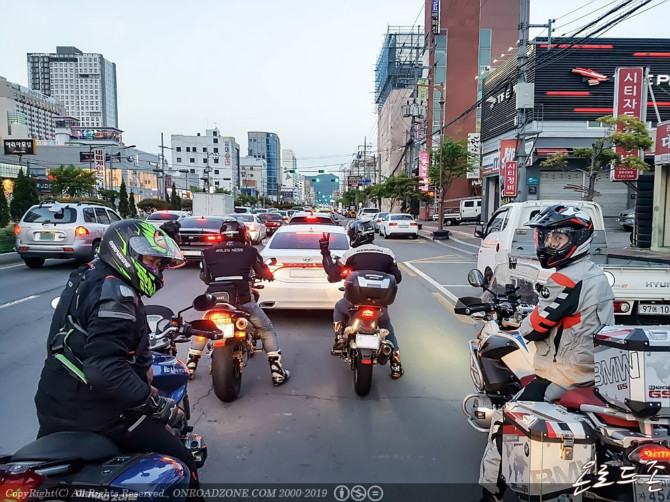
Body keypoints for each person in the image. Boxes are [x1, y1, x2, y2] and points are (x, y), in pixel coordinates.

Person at [34, 220, 205, 495]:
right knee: (182, 460)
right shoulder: (118, 295)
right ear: (125, 253)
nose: (157, 271)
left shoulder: (88, 274)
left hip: (55, 401)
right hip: (98, 412)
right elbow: (105, 370)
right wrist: (157, 404)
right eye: (151, 261)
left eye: (160, 264)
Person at [479, 204, 615, 502]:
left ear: (578, 239)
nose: (548, 245)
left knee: (504, 421)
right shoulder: (595, 274)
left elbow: (534, 328)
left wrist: (519, 320)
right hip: (598, 371)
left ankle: (491, 493)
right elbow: (568, 317)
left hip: (565, 373)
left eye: (557, 239)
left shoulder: (566, 278)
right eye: (545, 238)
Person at [188, 218, 290, 386]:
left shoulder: (208, 252)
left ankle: (190, 367)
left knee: (202, 330)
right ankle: (277, 372)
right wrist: (269, 276)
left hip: (214, 301)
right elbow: (264, 272)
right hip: (242, 301)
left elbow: (205, 277)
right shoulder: (250, 251)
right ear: (243, 234)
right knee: (266, 330)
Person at [319, 219, 404, 379]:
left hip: (353, 305)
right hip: (380, 307)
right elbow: (397, 277)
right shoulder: (387, 253)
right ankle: (396, 364)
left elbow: (332, 274)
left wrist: (325, 251)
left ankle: (339, 338)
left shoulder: (350, 254)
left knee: (338, 307)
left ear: (356, 236)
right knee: (387, 329)